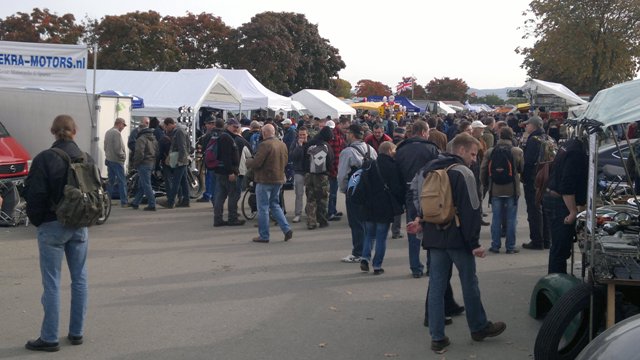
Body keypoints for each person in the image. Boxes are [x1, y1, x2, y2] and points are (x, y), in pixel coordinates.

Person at [408, 133, 506, 352]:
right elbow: (472, 209)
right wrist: (474, 243)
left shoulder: (428, 169)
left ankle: (437, 337)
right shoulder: (463, 172)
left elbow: (417, 198)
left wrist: (419, 220)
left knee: (436, 286)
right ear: (460, 150)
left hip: (434, 235)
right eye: (472, 153)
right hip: (458, 237)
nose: (473, 159)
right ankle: (478, 326)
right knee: (469, 283)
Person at [24, 115, 91, 352]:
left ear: (53, 131)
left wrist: (38, 221)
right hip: (79, 224)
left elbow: (35, 194)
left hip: (52, 224)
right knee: (80, 279)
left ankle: (50, 337)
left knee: (52, 283)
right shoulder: (85, 157)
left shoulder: (45, 158)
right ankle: (77, 332)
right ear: (76, 130)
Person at [395, 120, 439, 278]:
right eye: (427, 132)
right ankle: (431, 266)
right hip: (429, 194)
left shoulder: (401, 149)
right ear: (423, 132)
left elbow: (396, 176)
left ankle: (415, 268)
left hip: (409, 193)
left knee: (413, 230)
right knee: (431, 231)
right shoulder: (432, 149)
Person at [358, 141, 404, 275]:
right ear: (390, 151)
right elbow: (397, 188)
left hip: (368, 205)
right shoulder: (393, 166)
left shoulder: (369, 164)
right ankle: (377, 265)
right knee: (381, 237)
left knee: (369, 235)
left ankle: (365, 258)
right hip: (384, 206)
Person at [544, 135, 588, 274]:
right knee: (560, 249)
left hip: (553, 198)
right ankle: (555, 285)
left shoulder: (570, 145)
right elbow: (567, 186)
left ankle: (555, 280)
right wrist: (573, 211)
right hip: (559, 203)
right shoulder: (576, 152)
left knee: (559, 247)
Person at [337, 124, 377, 263]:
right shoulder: (370, 149)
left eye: (348, 133)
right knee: (367, 221)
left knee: (356, 222)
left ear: (352, 135)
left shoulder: (347, 151)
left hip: (354, 190)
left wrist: (343, 189)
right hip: (369, 190)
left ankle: (358, 252)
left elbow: (342, 175)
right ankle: (367, 250)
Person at [246, 124, 293, 243]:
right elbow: (286, 160)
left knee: (263, 208)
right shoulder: (282, 145)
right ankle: (286, 228)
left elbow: (257, 162)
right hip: (278, 178)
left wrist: (248, 161)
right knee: (275, 205)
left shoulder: (264, 145)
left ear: (265, 133)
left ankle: (264, 235)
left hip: (264, 179)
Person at [480, 127, 523, 254]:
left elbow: (483, 170)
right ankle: (510, 246)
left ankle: (495, 245)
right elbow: (521, 169)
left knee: (496, 218)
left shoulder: (490, 151)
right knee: (511, 219)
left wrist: (486, 184)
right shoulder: (517, 151)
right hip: (512, 189)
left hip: (496, 189)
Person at [521, 116, 549, 250]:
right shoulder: (547, 138)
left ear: (534, 126)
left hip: (533, 179)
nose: (526, 127)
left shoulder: (533, 140)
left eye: (528, 125)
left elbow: (528, 162)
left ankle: (537, 240)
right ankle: (547, 239)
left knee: (534, 210)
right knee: (544, 209)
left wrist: (524, 179)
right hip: (546, 179)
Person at [213, 119, 245, 226]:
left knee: (220, 196)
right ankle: (232, 218)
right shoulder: (226, 138)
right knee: (233, 195)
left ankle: (218, 219)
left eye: (237, 127)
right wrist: (231, 172)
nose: (236, 129)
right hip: (227, 172)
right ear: (228, 126)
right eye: (234, 127)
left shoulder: (224, 136)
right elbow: (226, 156)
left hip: (220, 171)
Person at [303, 126, 334, 230]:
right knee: (322, 199)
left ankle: (311, 222)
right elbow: (330, 160)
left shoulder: (309, 144)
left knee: (310, 198)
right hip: (322, 176)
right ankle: (322, 221)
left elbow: (304, 158)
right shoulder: (326, 146)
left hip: (309, 175)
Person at [130, 122, 159, 211]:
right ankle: (136, 202)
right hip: (151, 162)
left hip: (143, 163)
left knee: (146, 184)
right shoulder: (153, 138)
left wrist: (135, 163)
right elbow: (157, 151)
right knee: (142, 184)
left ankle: (152, 204)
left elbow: (139, 153)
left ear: (140, 129)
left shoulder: (141, 139)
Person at [163, 118, 190, 209]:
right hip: (182, 160)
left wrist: (180, 160)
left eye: (166, 127)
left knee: (176, 181)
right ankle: (186, 200)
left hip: (180, 160)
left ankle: (171, 202)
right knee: (183, 181)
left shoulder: (179, 132)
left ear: (170, 124)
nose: (166, 129)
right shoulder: (178, 131)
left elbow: (182, 147)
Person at [104, 117, 128, 207]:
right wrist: (123, 156)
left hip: (109, 159)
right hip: (117, 160)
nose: (123, 127)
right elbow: (118, 148)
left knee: (110, 181)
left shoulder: (108, 132)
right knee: (122, 181)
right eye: (123, 125)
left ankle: (107, 200)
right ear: (119, 123)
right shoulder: (116, 133)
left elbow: (105, 146)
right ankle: (124, 202)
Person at [327, 119, 347, 221]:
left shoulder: (338, 135)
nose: (346, 130)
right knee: (332, 192)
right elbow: (334, 156)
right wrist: (335, 170)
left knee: (333, 191)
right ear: (339, 125)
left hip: (335, 168)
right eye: (344, 127)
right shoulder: (335, 137)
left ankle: (333, 210)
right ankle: (330, 212)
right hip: (334, 169)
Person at [289, 126, 308, 223]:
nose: (302, 137)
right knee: (299, 194)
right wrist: (299, 147)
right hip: (298, 171)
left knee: (310, 194)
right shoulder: (295, 143)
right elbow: (292, 156)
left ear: (307, 134)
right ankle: (298, 214)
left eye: (304, 135)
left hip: (309, 171)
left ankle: (309, 212)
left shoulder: (310, 143)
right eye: (300, 135)